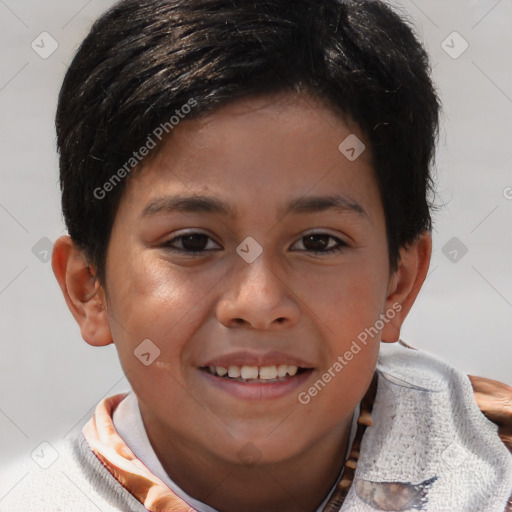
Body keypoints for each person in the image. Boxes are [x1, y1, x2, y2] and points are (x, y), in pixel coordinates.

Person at [5, 0, 512, 510]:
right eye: (192, 242)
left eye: (318, 242)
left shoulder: (492, 469)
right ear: (88, 287)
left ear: (398, 284)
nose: (259, 302)